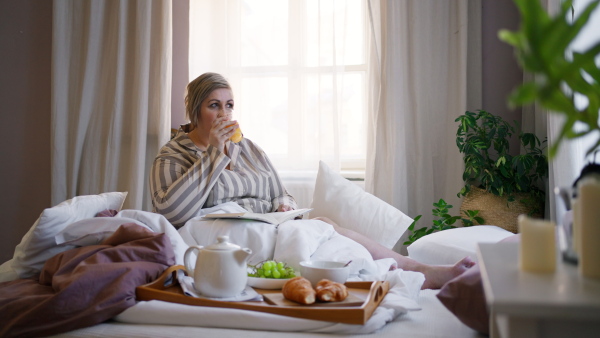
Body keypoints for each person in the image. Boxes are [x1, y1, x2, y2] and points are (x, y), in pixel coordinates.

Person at [150, 72, 474, 289]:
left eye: (230, 105)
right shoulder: (174, 154)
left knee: (326, 227)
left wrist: (285, 203)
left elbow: (280, 191)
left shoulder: (248, 148)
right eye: (214, 105)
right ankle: (408, 273)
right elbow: (172, 212)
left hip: (273, 224)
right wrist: (215, 156)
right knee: (322, 232)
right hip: (228, 236)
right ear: (195, 112)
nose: (225, 114)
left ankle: (411, 268)